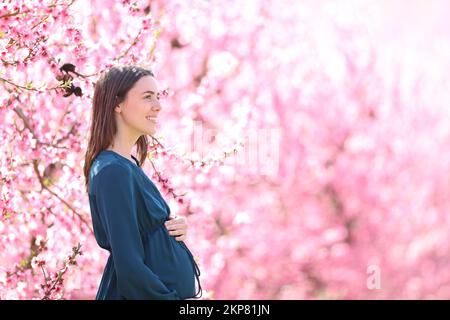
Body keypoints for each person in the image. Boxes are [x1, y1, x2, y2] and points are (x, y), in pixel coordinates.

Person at [83, 65, 202, 300]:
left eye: (157, 97)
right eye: (148, 97)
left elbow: (141, 233)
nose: (158, 106)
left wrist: (169, 228)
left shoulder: (126, 165)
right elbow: (129, 267)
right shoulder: (112, 171)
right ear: (117, 104)